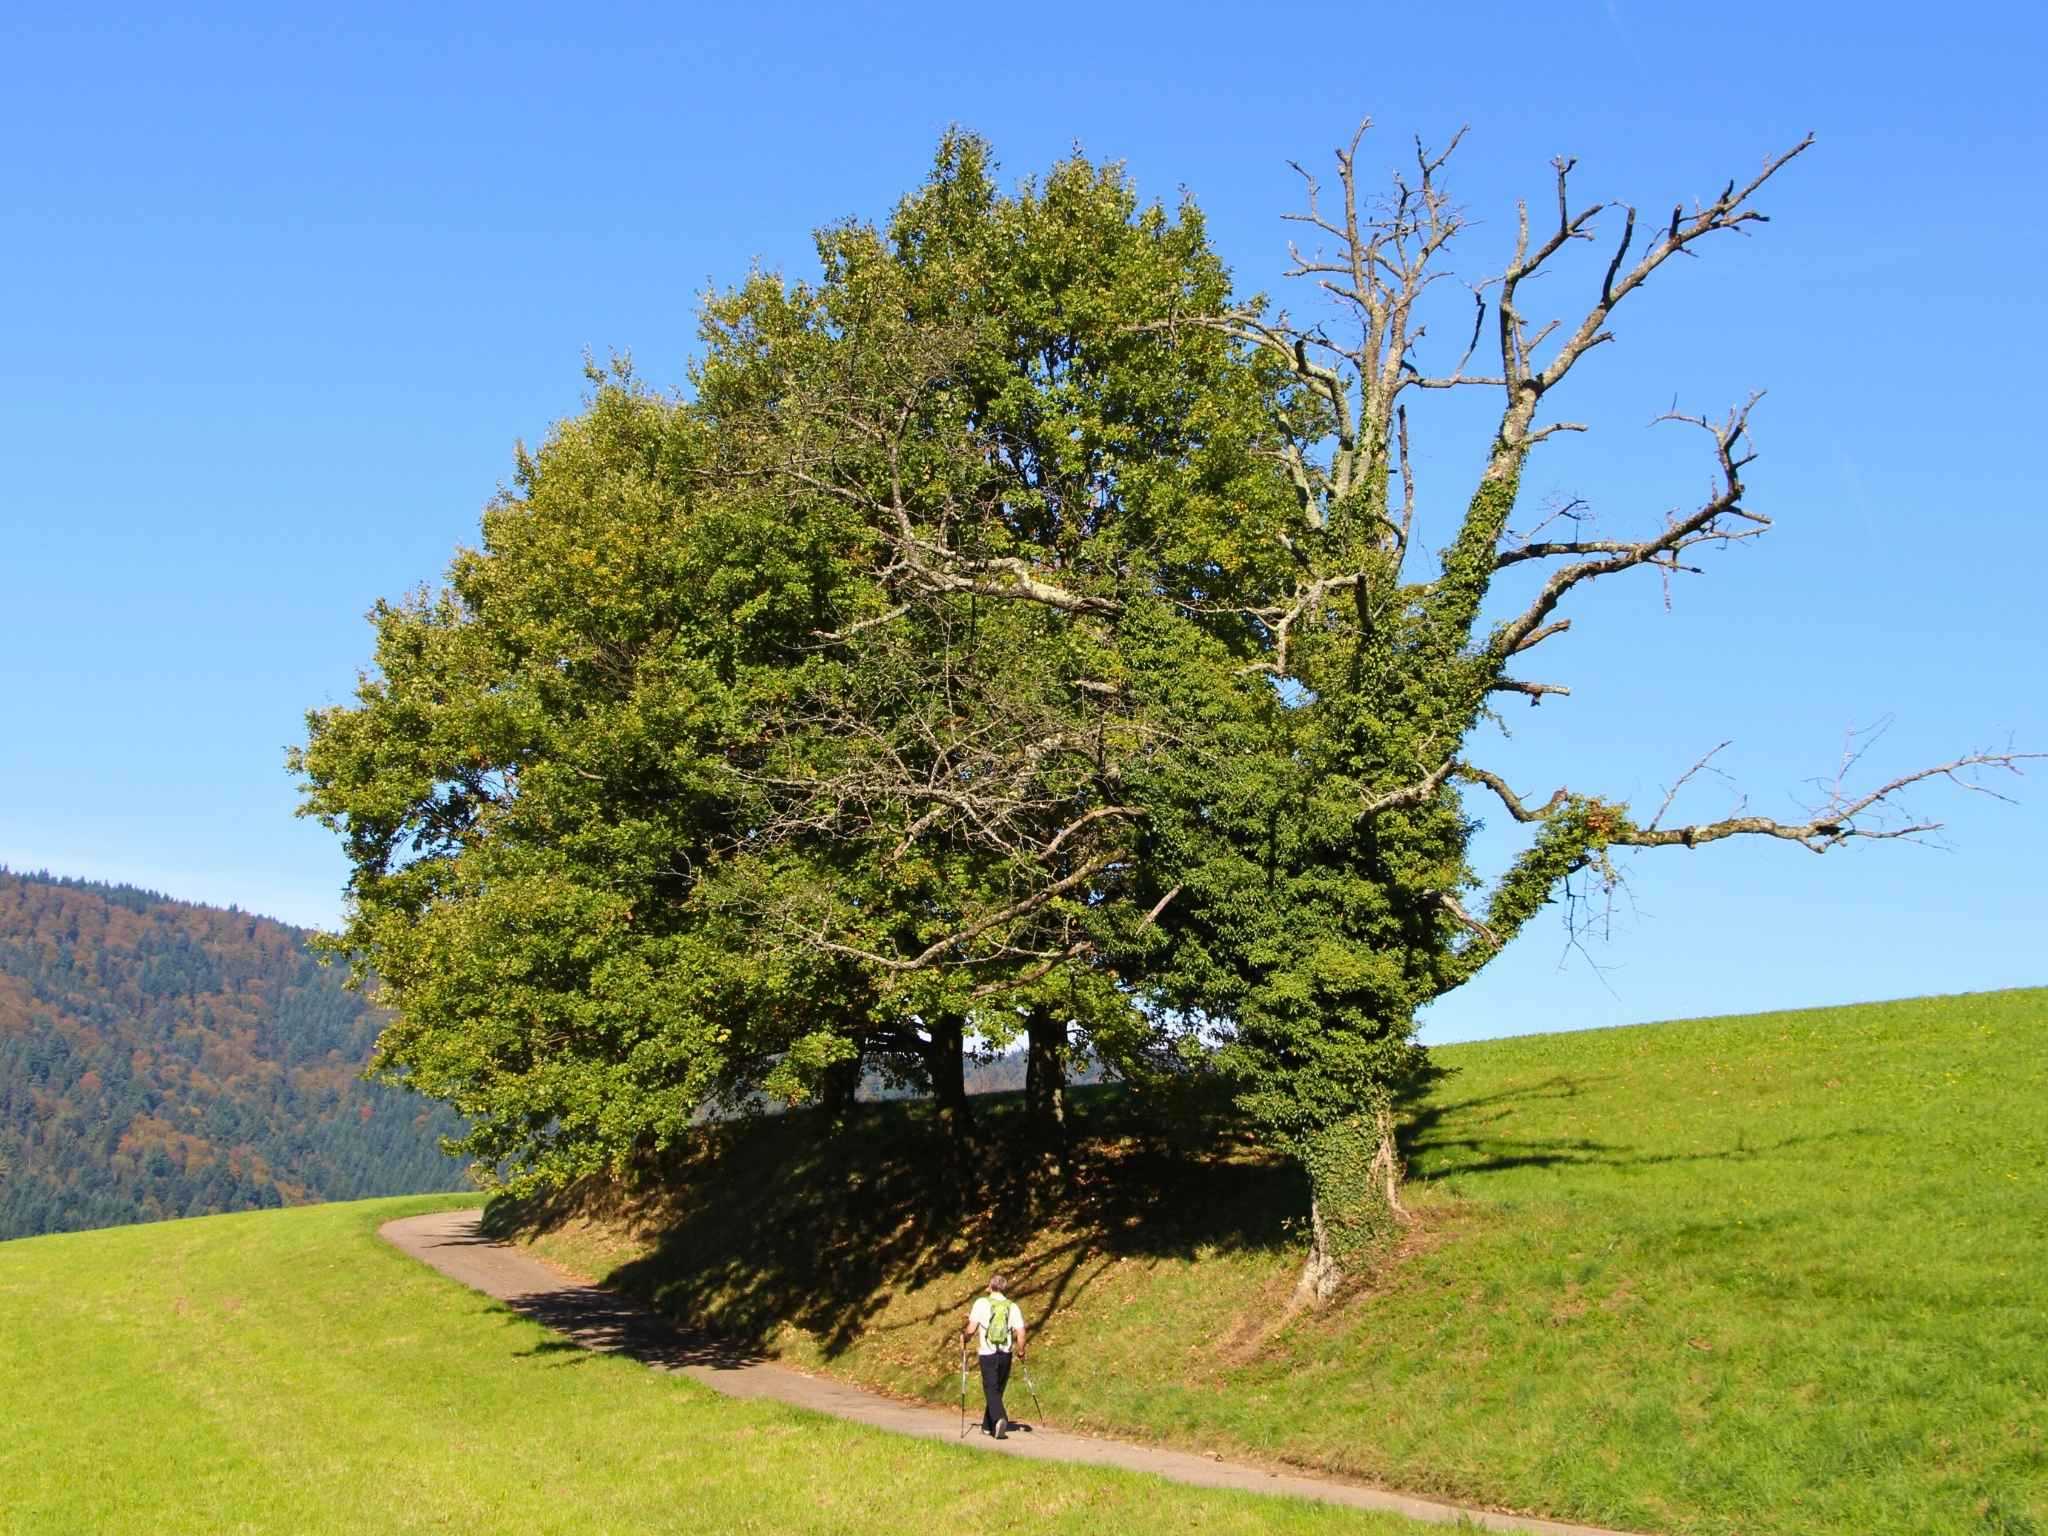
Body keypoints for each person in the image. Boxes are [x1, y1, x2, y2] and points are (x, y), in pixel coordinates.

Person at [962, 1271, 1027, 1439]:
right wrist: (1021, 1351)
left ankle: (999, 1418)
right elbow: (1021, 1332)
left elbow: (971, 1329)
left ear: (991, 1286)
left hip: (988, 1353)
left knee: (991, 1388)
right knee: (997, 1389)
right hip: (1006, 1353)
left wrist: (965, 1338)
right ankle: (987, 1426)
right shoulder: (1012, 1306)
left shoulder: (981, 1303)